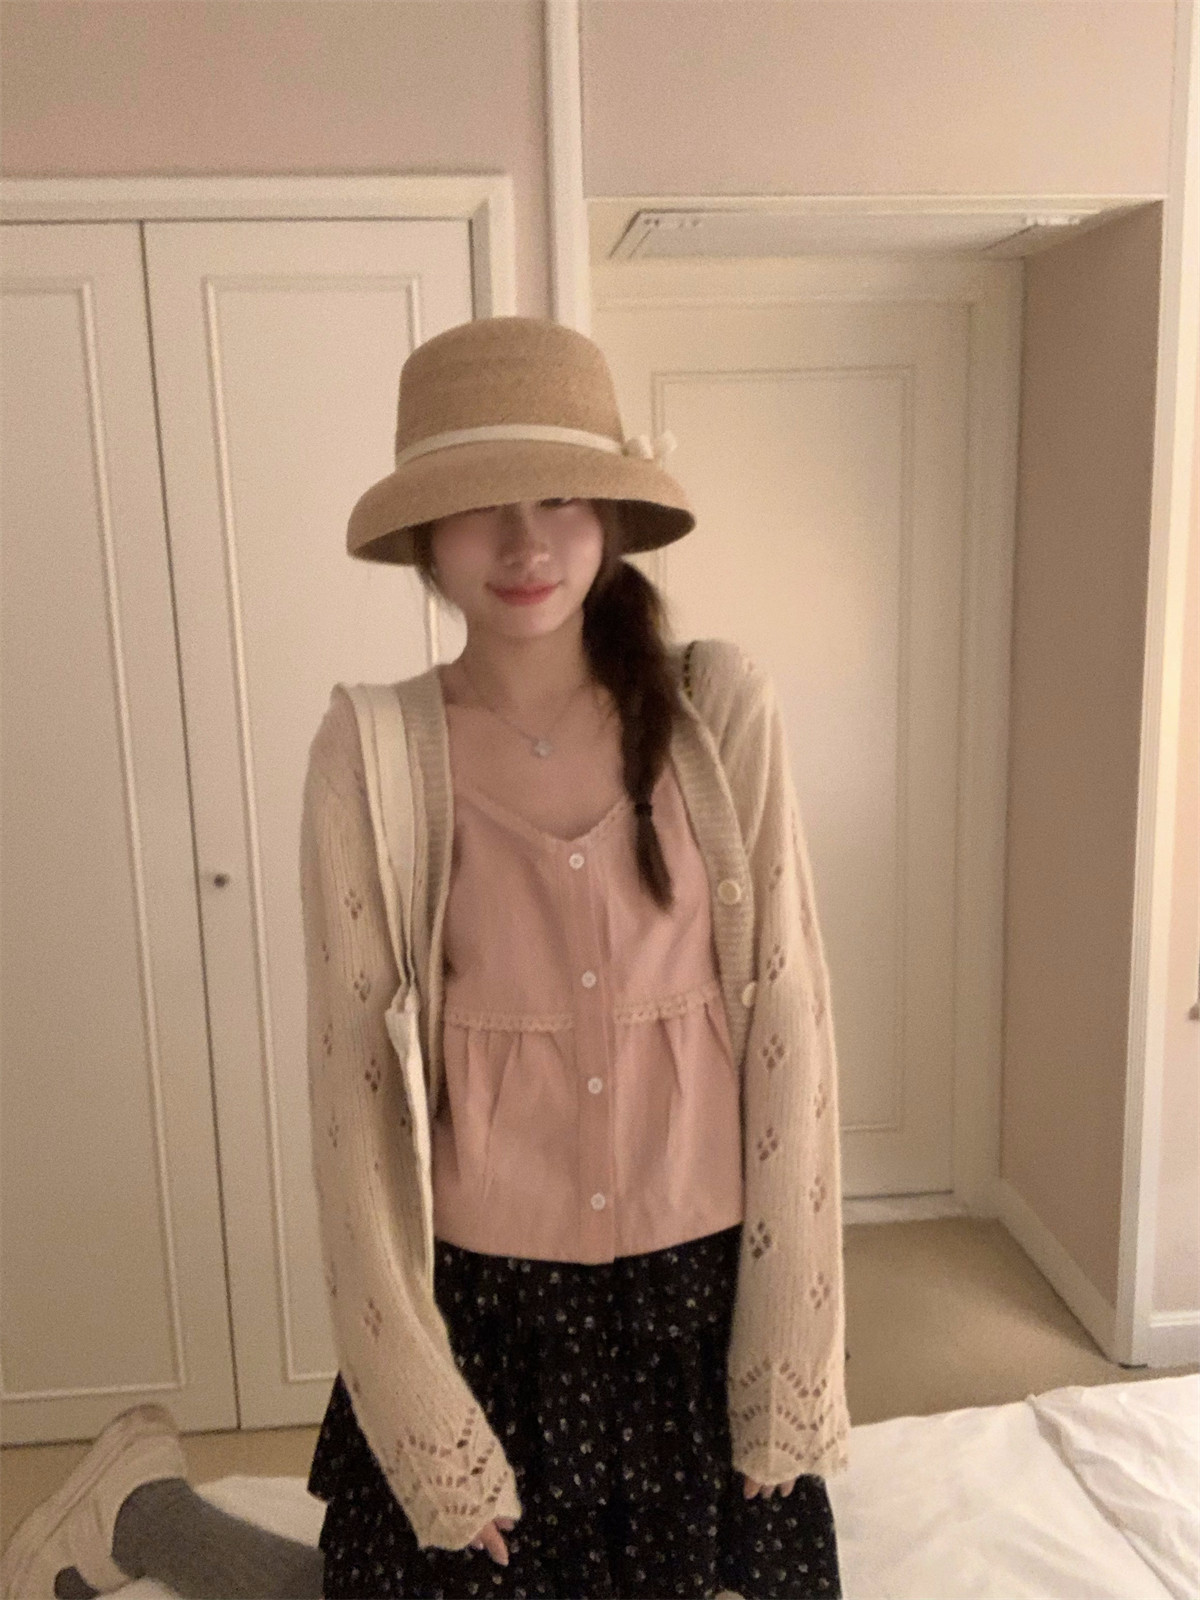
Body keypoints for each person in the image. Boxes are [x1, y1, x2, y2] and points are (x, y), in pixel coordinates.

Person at [2, 316, 848, 1600]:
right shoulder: (376, 753)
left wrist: (788, 1349)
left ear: (610, 517)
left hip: (697, 1308)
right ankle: (147, 1519)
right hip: (487, 1317)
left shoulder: (716, 710)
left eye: (560, 498)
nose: (524, 544)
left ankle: (140, 1514)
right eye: (480, 505)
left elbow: (792, 1022)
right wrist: (415, 1401)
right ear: (425, 536)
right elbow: (352, 1100)